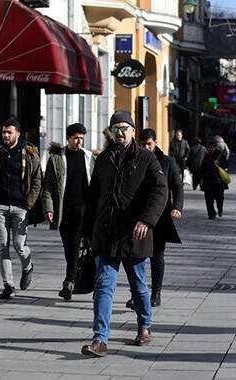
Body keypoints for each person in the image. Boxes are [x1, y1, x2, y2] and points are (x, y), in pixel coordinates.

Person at [80, 111, 168, 357]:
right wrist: (87, 232)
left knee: (138, 284)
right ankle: (100, 339)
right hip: (106, 233)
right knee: (103, 286)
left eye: (124, 127)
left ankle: (144, 326)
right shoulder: (104, 159)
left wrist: (147, 220)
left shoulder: (146, 159)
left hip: (134, 234)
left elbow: (160, 191)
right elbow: (92, 197)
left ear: (133, 130)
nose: (120, 132)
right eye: (115, 128)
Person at [0, 116, 42, 300]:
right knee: (2, 246)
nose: (6, 135)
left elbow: (37, 181)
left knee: (19, 245)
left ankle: (27, 266)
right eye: (4, 132)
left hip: (20, 207)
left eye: (9, 132)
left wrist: (28, 203)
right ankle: (8, 285)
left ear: (17, 133)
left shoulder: (29, 153)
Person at [123, 128, 184, 308]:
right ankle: (137, 294)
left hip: (160, 216)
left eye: (149, 144)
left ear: (155, 143)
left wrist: (177, 207)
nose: (146, 147)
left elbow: (177, 187)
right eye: (142, 144)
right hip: (136, 216)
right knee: (136, 257)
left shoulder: (167, 162)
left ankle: (156, 292)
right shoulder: (133, 160)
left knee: (157, 257)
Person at [41, 123, 95, 301]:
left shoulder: (88, 157)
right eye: (75, 138)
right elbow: (47, 186)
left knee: (74, 246)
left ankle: (69, 282)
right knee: (68, 248)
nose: (78, 141)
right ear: (68, 138)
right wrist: (48, 208)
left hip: (83, 209)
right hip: (63, 211)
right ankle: (73, 278)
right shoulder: (57, 158)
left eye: (81, 138)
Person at [201, 143, 227, 220]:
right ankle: (211, 214)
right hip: (208, 181)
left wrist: (220, 163)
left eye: (212, 147)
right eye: (209, 147)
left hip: (218, 181)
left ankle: (220, 209)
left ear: (215, 148)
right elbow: (202, 168)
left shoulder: (220, 155)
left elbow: (226, 164)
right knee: (209, 199)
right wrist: (200, 180)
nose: (210, 149)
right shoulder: (206, 156)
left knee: (219, 199)